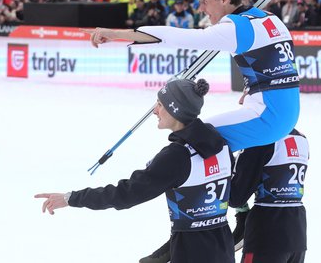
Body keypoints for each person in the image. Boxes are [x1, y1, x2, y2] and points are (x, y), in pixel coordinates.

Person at [86, 0, 301, 262]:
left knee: (194, 142)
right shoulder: (268, 19)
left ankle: (193, 234)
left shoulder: (233, 28)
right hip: (282, 109)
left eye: (205, 0)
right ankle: (234, 216)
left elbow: (175, 37)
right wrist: (256, 88)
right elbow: (281, 64)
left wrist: (115, 34)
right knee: (206, 142)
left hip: (269, 116)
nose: (200, 7)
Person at [35, 78, 235, 263]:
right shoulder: (222, 145)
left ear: (175, 110)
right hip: (223, 249)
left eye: (160, 104)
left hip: (191, 254)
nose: (154, 111)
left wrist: (72, 198)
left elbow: (125, 194)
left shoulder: (176, 156)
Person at [230, 130, 309, 263]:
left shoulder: (260, 137)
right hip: (297, 231)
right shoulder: (301, 138)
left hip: (266, 232)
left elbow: (235, 197)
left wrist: (242, 211)